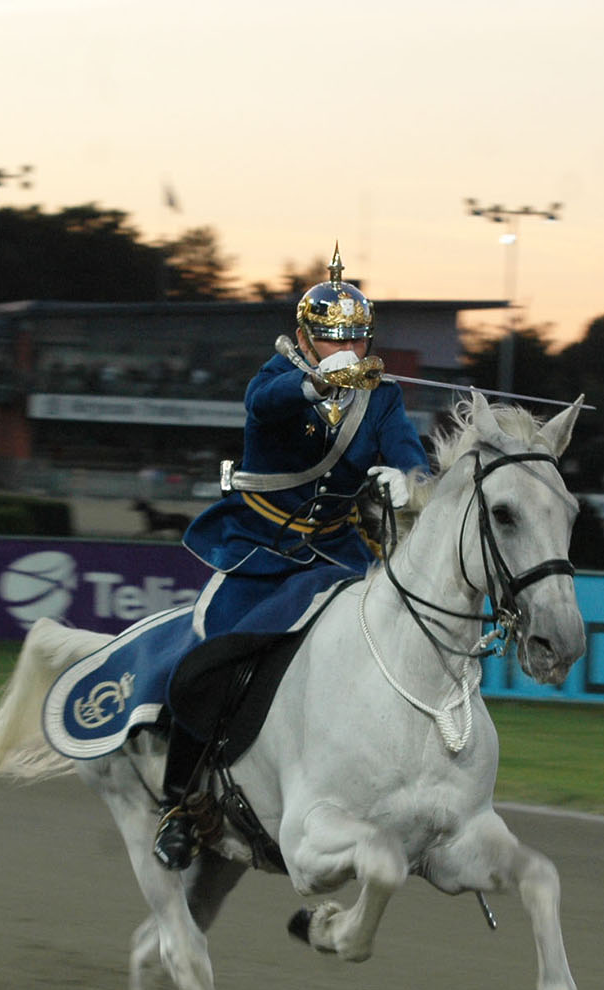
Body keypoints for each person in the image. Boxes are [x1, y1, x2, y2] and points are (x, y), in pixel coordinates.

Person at [151, 245, 430, 869]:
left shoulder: (380, 397)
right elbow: (269, 406)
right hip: (260, 547)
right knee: (211, 654)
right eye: (333, 341)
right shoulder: (272, 380)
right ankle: (178, 803)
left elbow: (408, 451)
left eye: (357, 342)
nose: (348, 353)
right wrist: (315, 381)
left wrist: (407, 480)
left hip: (337, 551)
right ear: (304, 337)